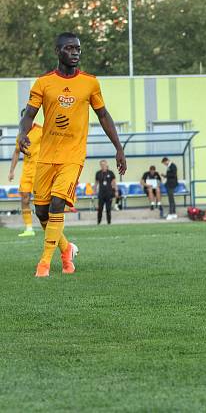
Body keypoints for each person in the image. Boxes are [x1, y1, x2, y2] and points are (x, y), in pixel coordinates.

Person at [18, 32, 126, 277]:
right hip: (46, 156)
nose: (75, 52)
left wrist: (119, 148)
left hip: (72, 156)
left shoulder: (90, 82)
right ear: (58, 52)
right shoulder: (43, 83)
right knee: (42, 212)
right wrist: (22, 134)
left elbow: (103, 115)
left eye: (78, 48)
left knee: (57, 203)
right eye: (69, 48)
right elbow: (29, 115)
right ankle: (66, 250)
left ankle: (44, 263)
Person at [8, 109, 43, 237]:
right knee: (24, 199)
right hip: (27, 172)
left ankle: (52, 226)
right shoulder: (20, 136)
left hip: (40, 171)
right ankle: (29, 228)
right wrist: (11, 171)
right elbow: (16, 153)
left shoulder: (40, 130)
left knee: (43, 201)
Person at [94, 160, 116, 224]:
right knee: (100, 208)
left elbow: (114, 182)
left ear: (106, 165)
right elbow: (96, 183)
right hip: (101, 193)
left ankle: (109, 222)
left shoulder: (111, 173)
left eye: (104, 164)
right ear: (100, 165)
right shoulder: (98, 173)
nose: (103, 166)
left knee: (108, 208)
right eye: (101, 165)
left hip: (109, 193)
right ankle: (99, 222)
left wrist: (116, 190)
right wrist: (94, 190)